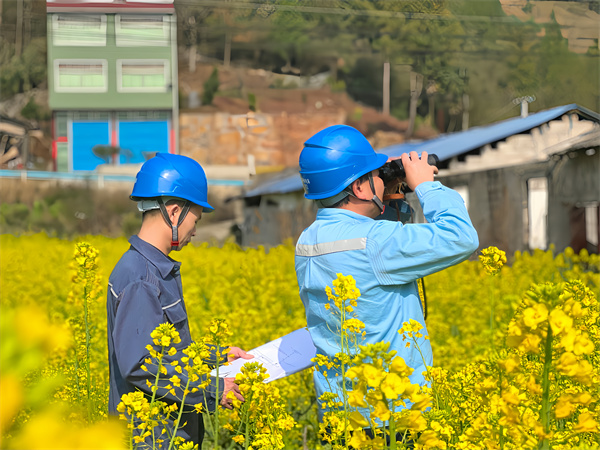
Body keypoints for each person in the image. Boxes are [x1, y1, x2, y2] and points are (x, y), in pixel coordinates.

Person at [294, 125, 479, 428]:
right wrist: (426, 186)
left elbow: (372, 252)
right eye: (375, 175)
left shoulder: (307, 241)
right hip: (391, 416)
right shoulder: (376, 242)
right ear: (359, 188)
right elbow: (461, 237)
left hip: (340, 414)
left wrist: (387, 195)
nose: (382, 179)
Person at [107, 152, 252, 446]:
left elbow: (167, 351)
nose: (195, 231)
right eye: (195, 219)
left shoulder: (151, 269)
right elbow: (140, 364)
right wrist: (214, 389)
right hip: (153, 437)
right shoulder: (142, 278)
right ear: (174, 213)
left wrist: (217, 356)